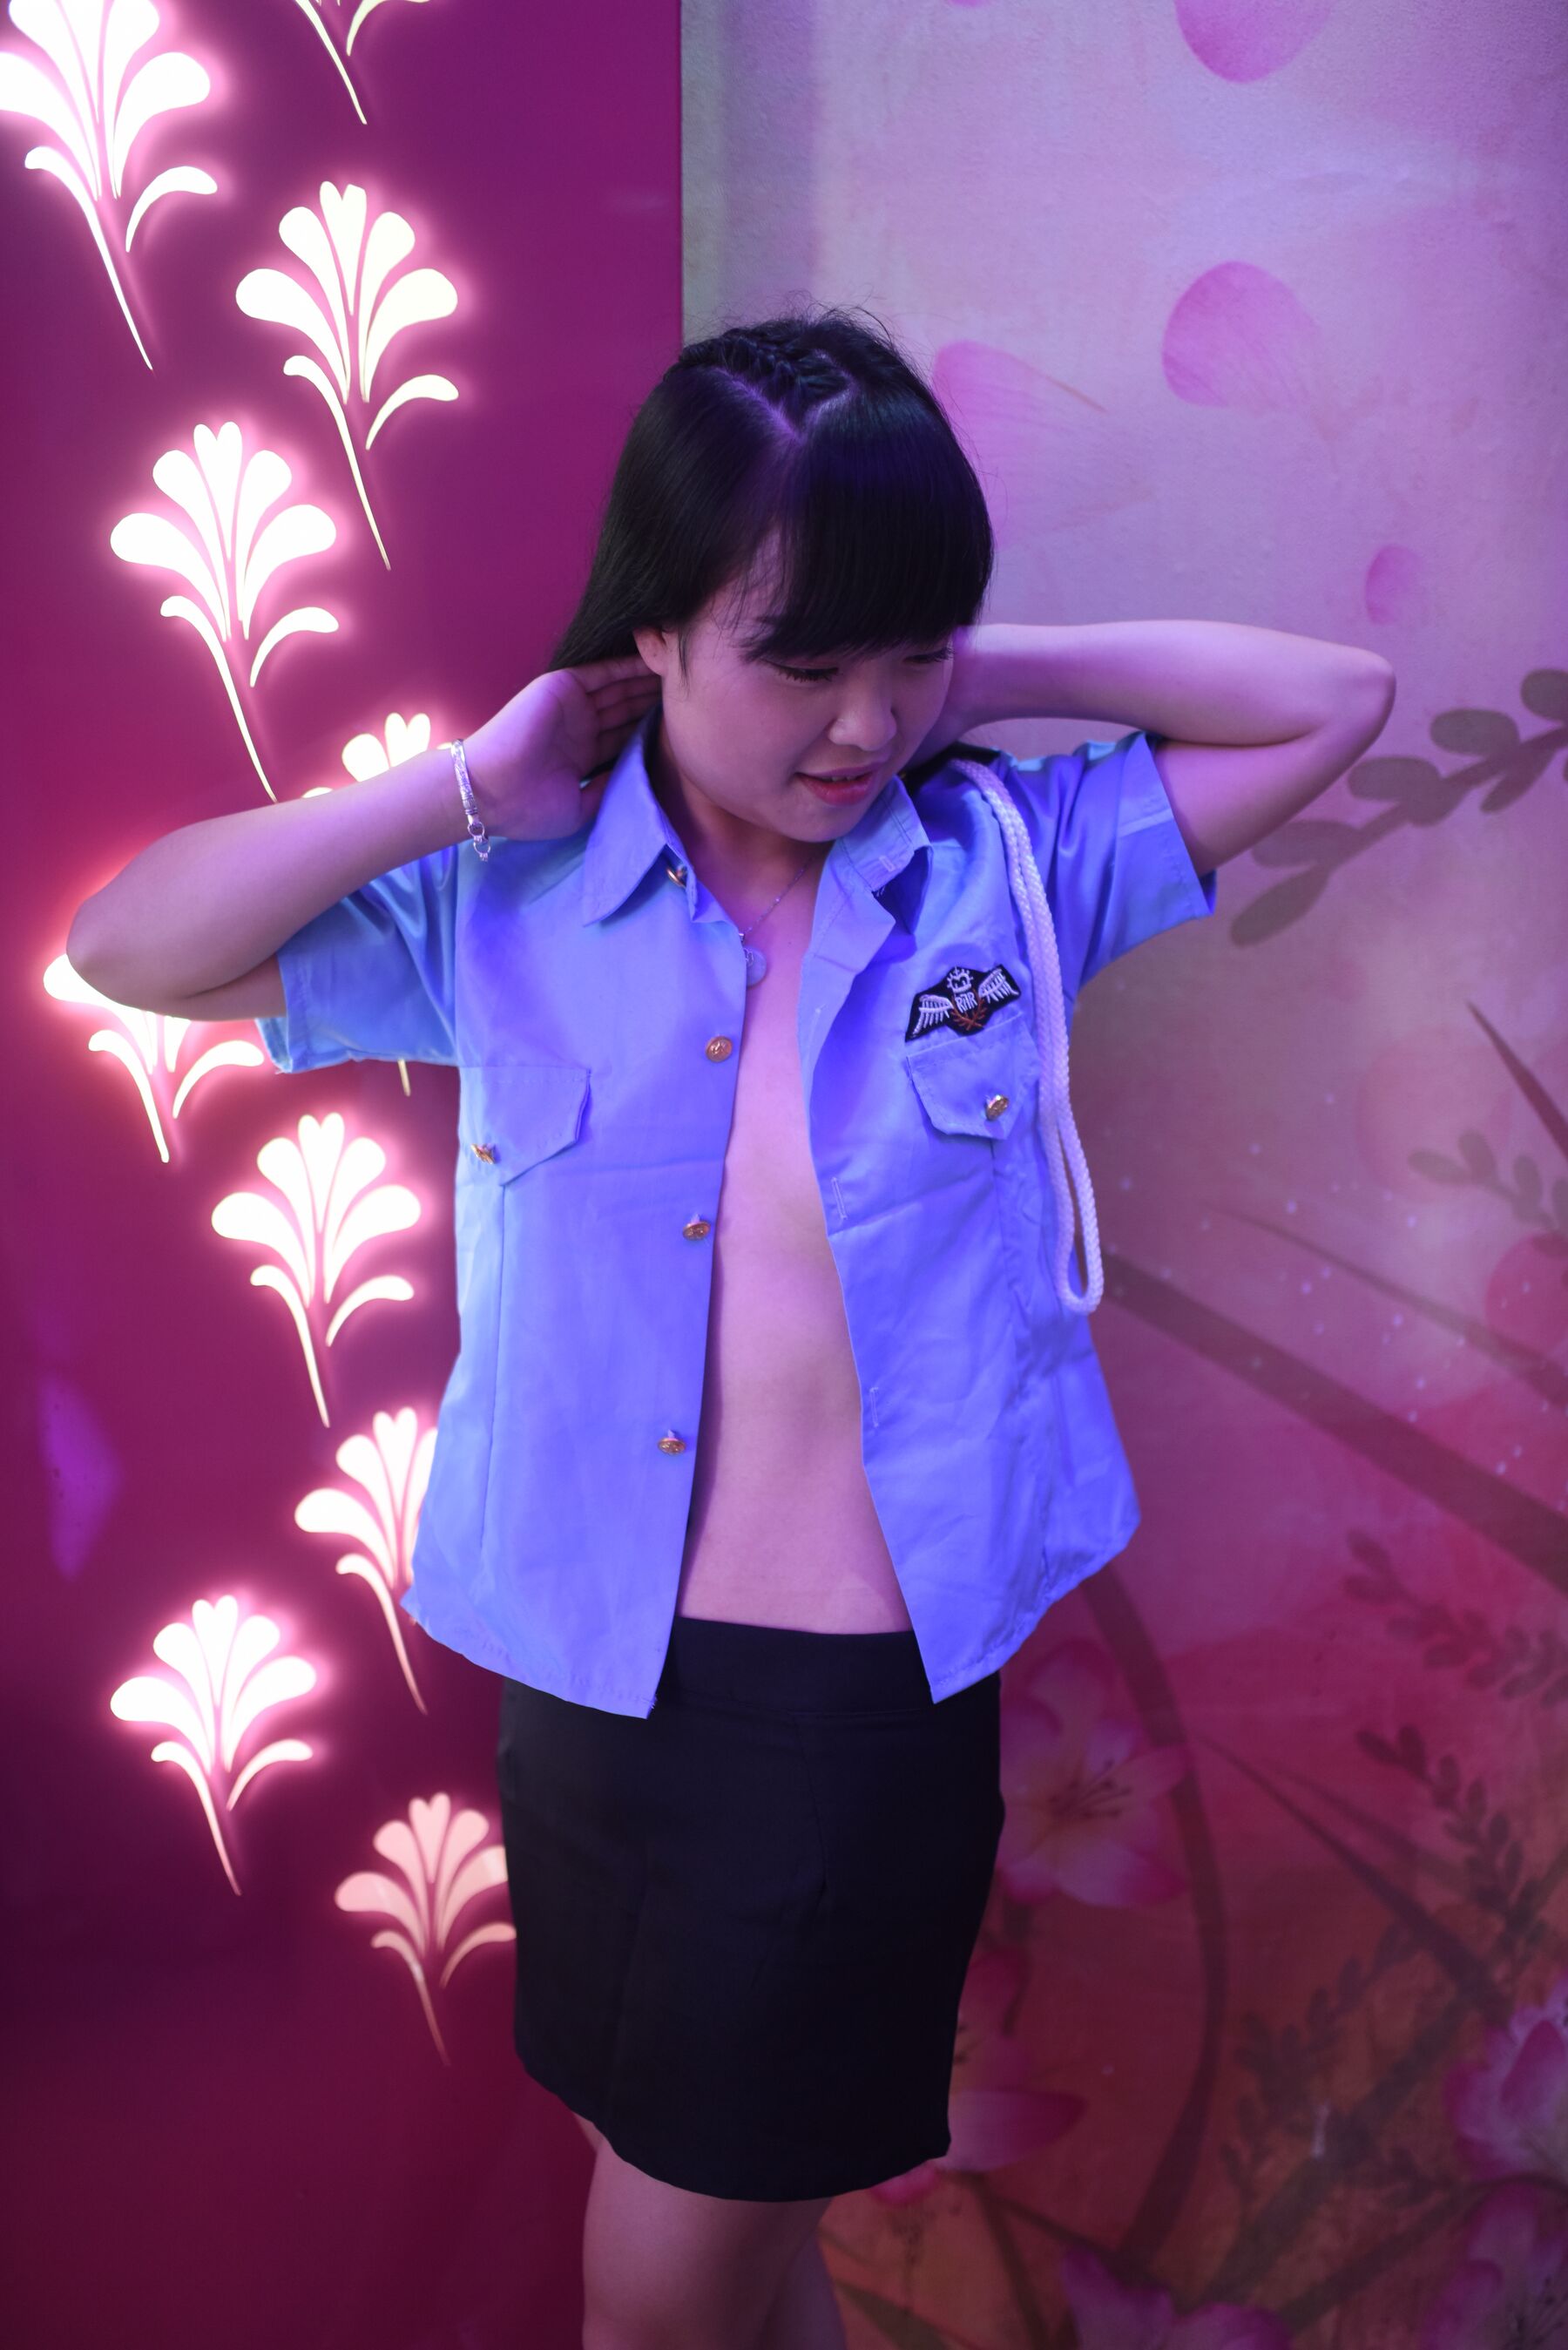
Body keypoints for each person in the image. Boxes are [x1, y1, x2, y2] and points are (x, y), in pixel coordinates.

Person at [68, 306, 1394, 2350]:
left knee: (657, 2298)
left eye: (904, 655)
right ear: (656, 629)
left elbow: (1334, 701)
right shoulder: (509, 903)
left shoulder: (1006, 871)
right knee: (737, 2245)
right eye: (803, 657)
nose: (865, 722)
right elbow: (129, 944)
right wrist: (458, 782)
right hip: (586, 1679)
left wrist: (967, 668)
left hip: (843, 1717)